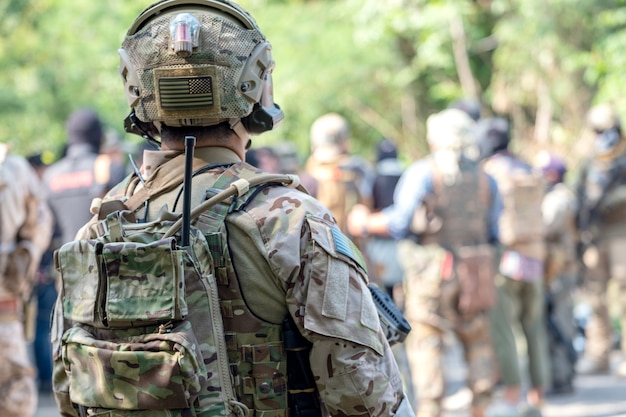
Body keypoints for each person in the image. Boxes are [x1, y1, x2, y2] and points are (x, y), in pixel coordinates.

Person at [50, 1, 413, 417]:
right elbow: (363, 393)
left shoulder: (103, 225)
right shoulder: (289, 218)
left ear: (139, 93)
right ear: (254, 88)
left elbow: (69, 386)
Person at [348, 108, 501, 417]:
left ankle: (431, 409)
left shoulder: (423, 172)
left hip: (432, 271)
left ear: (436, 141)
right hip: (476, 272)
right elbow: (495, 230)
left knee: (428, 342)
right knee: (478, 339)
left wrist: (365, 222)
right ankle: (481, 408)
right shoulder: (487, 178)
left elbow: (399, 222)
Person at [476, 117, 550, 417]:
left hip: (505, 259)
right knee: (534, 329)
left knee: (504, 330)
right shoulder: (528, 168)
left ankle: (512, 395)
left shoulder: (489, 173)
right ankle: (538, 396)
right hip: (535, 255)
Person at [0, 144, 52, 417]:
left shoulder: (13, 168)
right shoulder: (12, 168)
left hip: (6, 306)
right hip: (5, 311)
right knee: (13, 399)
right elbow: (40, 223)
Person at [574, 103, 626, 377]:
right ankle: (598, 354)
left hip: (622, 233)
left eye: (604, 130)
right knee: (595, 298)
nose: (600, 136)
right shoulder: (590, 162)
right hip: (595, 237)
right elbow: (578, 196)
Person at [43, 108, 127, 245]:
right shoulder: (109, 168)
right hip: (105, 261)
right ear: (99, 136)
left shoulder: (50, 175)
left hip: (64, 261)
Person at [534, 151, 579, 394]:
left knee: (560, 323)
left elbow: (547, 226)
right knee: (550, 325)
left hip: (560, 270)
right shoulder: (553, 195)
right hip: (551, 269)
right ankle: (556, 375)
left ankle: (563, 376)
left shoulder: (561, 198)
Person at [26, 153, 63, 395]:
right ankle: (46, 379)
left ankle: (44, 378)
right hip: (42, 274)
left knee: (42, 327)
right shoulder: (37, 199)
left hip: (37, 272)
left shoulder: (33, 195)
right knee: (44, 327)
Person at [304, 112, 375, 236]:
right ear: (345, 143)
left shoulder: (305, 179)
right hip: (350, 249)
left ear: (313, 145)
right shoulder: (359, 171)